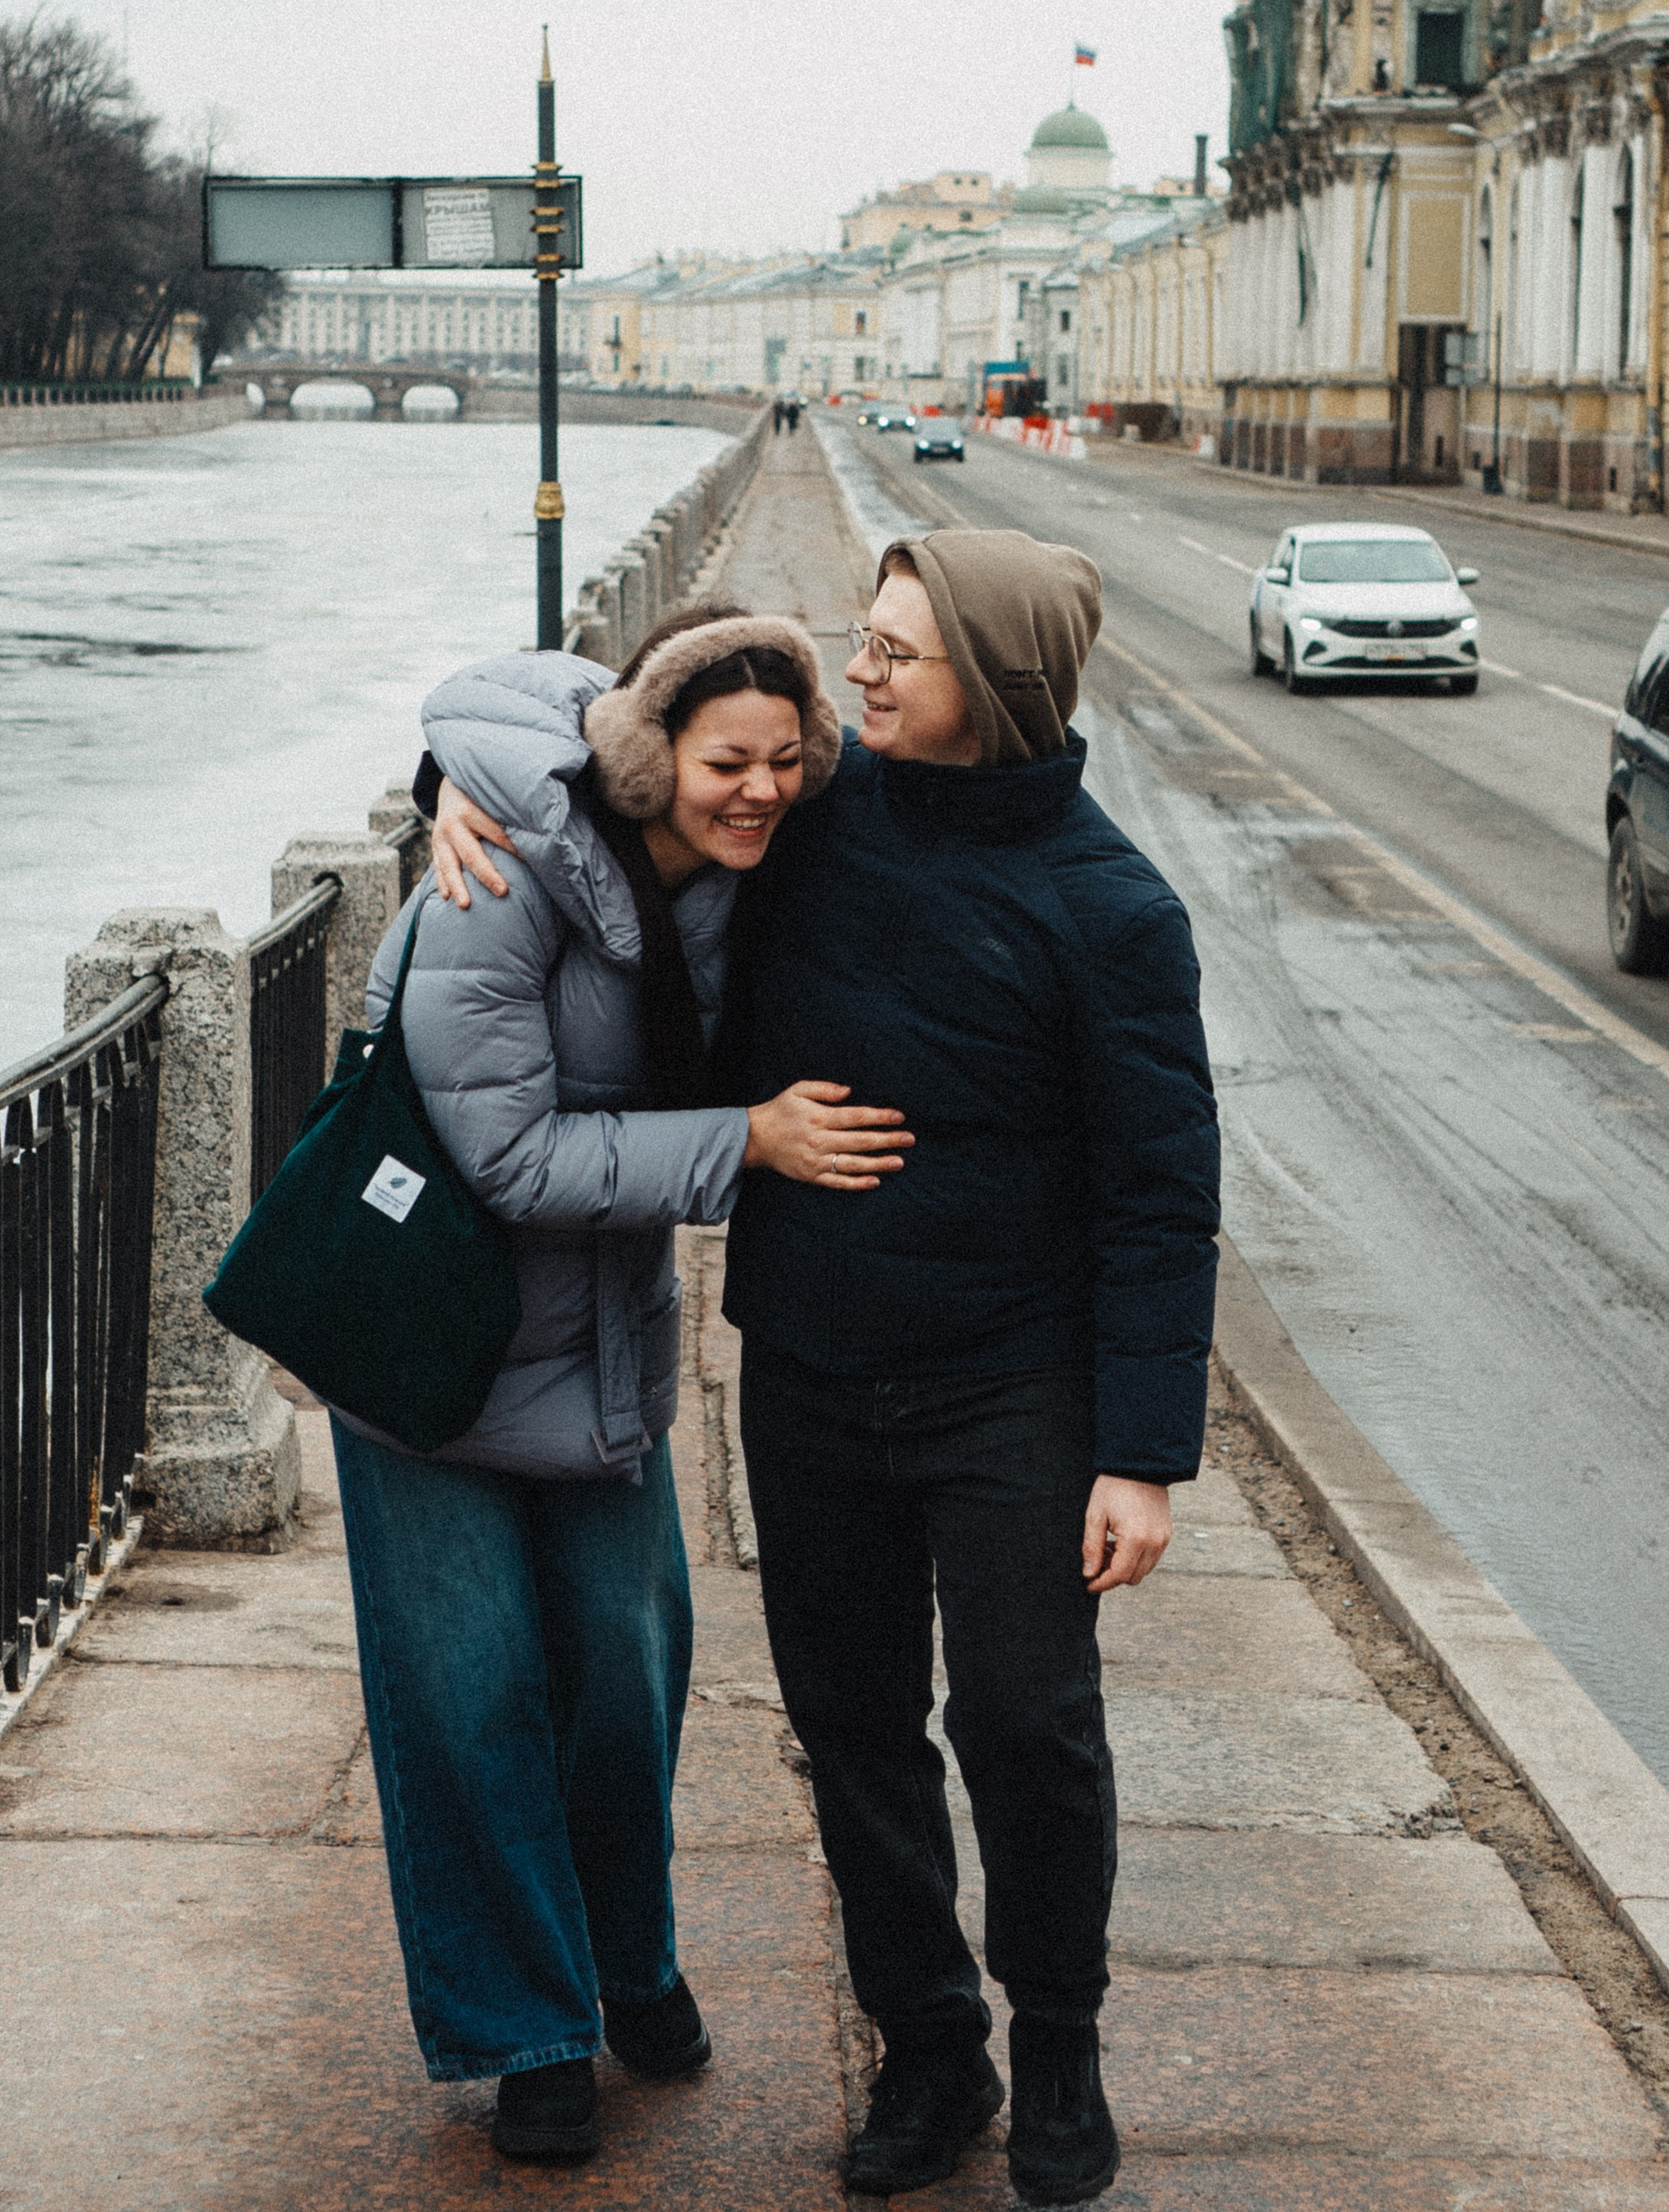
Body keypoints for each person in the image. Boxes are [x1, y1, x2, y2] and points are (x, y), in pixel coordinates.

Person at [431, 530, 1222, 2208]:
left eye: (889, 657)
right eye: (857, 645)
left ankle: (1059, 2042)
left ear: (990, 687)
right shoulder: (804, 820)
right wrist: (444, 785)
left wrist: (1141, 1453)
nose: (847, 680)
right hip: (804, 1369)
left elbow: (1160, 1199)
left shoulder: (1112, 913)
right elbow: (573, 725)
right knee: (852, 1732)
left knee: (1028, 1726)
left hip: (1014, 1389)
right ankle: (930, 2049)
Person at [340, 609, 912, 2167]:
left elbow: (945, 806)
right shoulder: (497, 880)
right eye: (729, 763)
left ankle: (630, 1963)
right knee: (472, 1700)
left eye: (787, 765)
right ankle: (527, 2030)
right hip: (430, 1342)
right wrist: (747, 1142)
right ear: (651, 756)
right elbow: (501, 1156)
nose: (761, 793)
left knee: (621, 1679)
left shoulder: (749, 866)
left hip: (597, 1346)